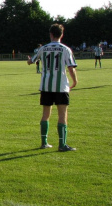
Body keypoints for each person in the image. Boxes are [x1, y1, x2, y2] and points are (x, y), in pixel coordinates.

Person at [27, 24, 78, 152]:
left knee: (45, 114)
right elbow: (71, 68)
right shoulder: (66, 49)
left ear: (50, 34)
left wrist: (28, 60)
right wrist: (75, 81)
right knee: (62, 115)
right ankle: (62, 145)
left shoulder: (43, 48)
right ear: (62, 34)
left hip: (45, 86)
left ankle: (44, 142)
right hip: (61, 86)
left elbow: (31, 61)